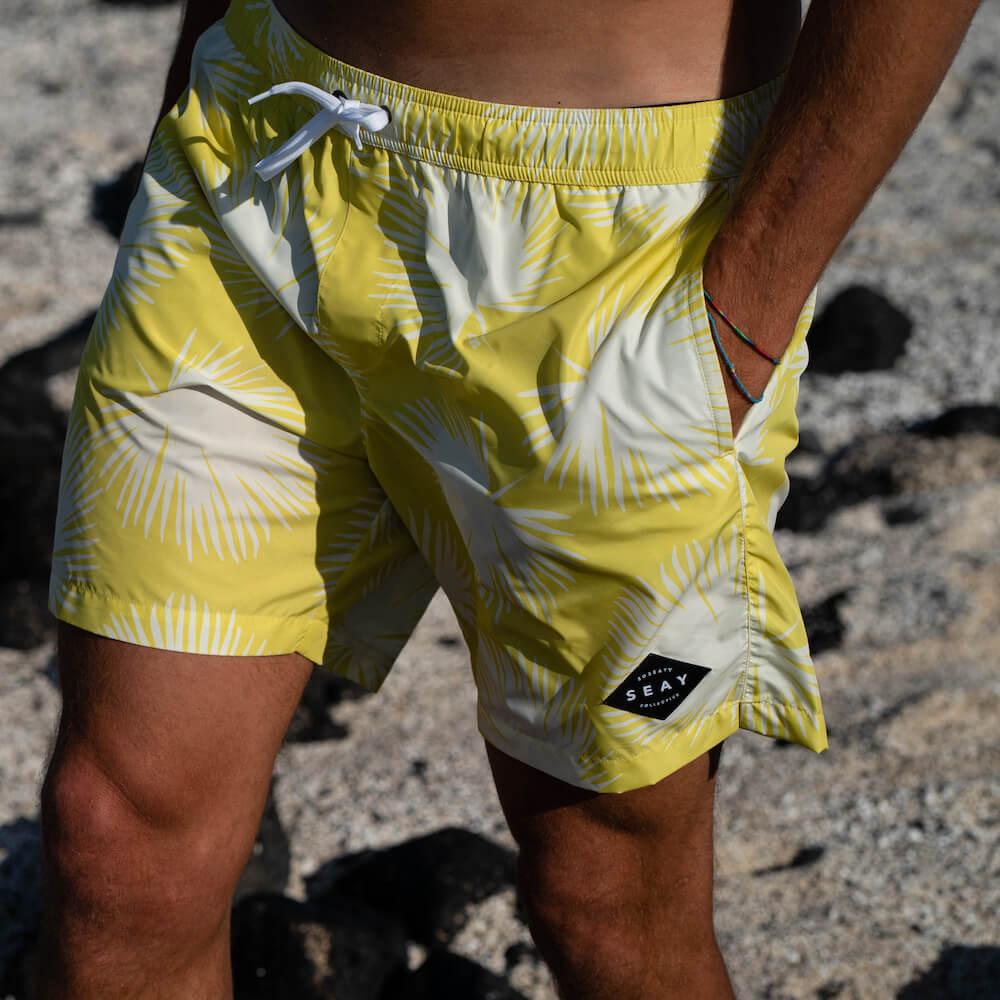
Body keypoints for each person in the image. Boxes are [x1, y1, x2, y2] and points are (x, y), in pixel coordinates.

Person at [34, 0, 981, 996]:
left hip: (619, 244)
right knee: (114, 846)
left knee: (605, 897)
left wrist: (750, 300)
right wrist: (191, 85)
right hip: (262, 147)